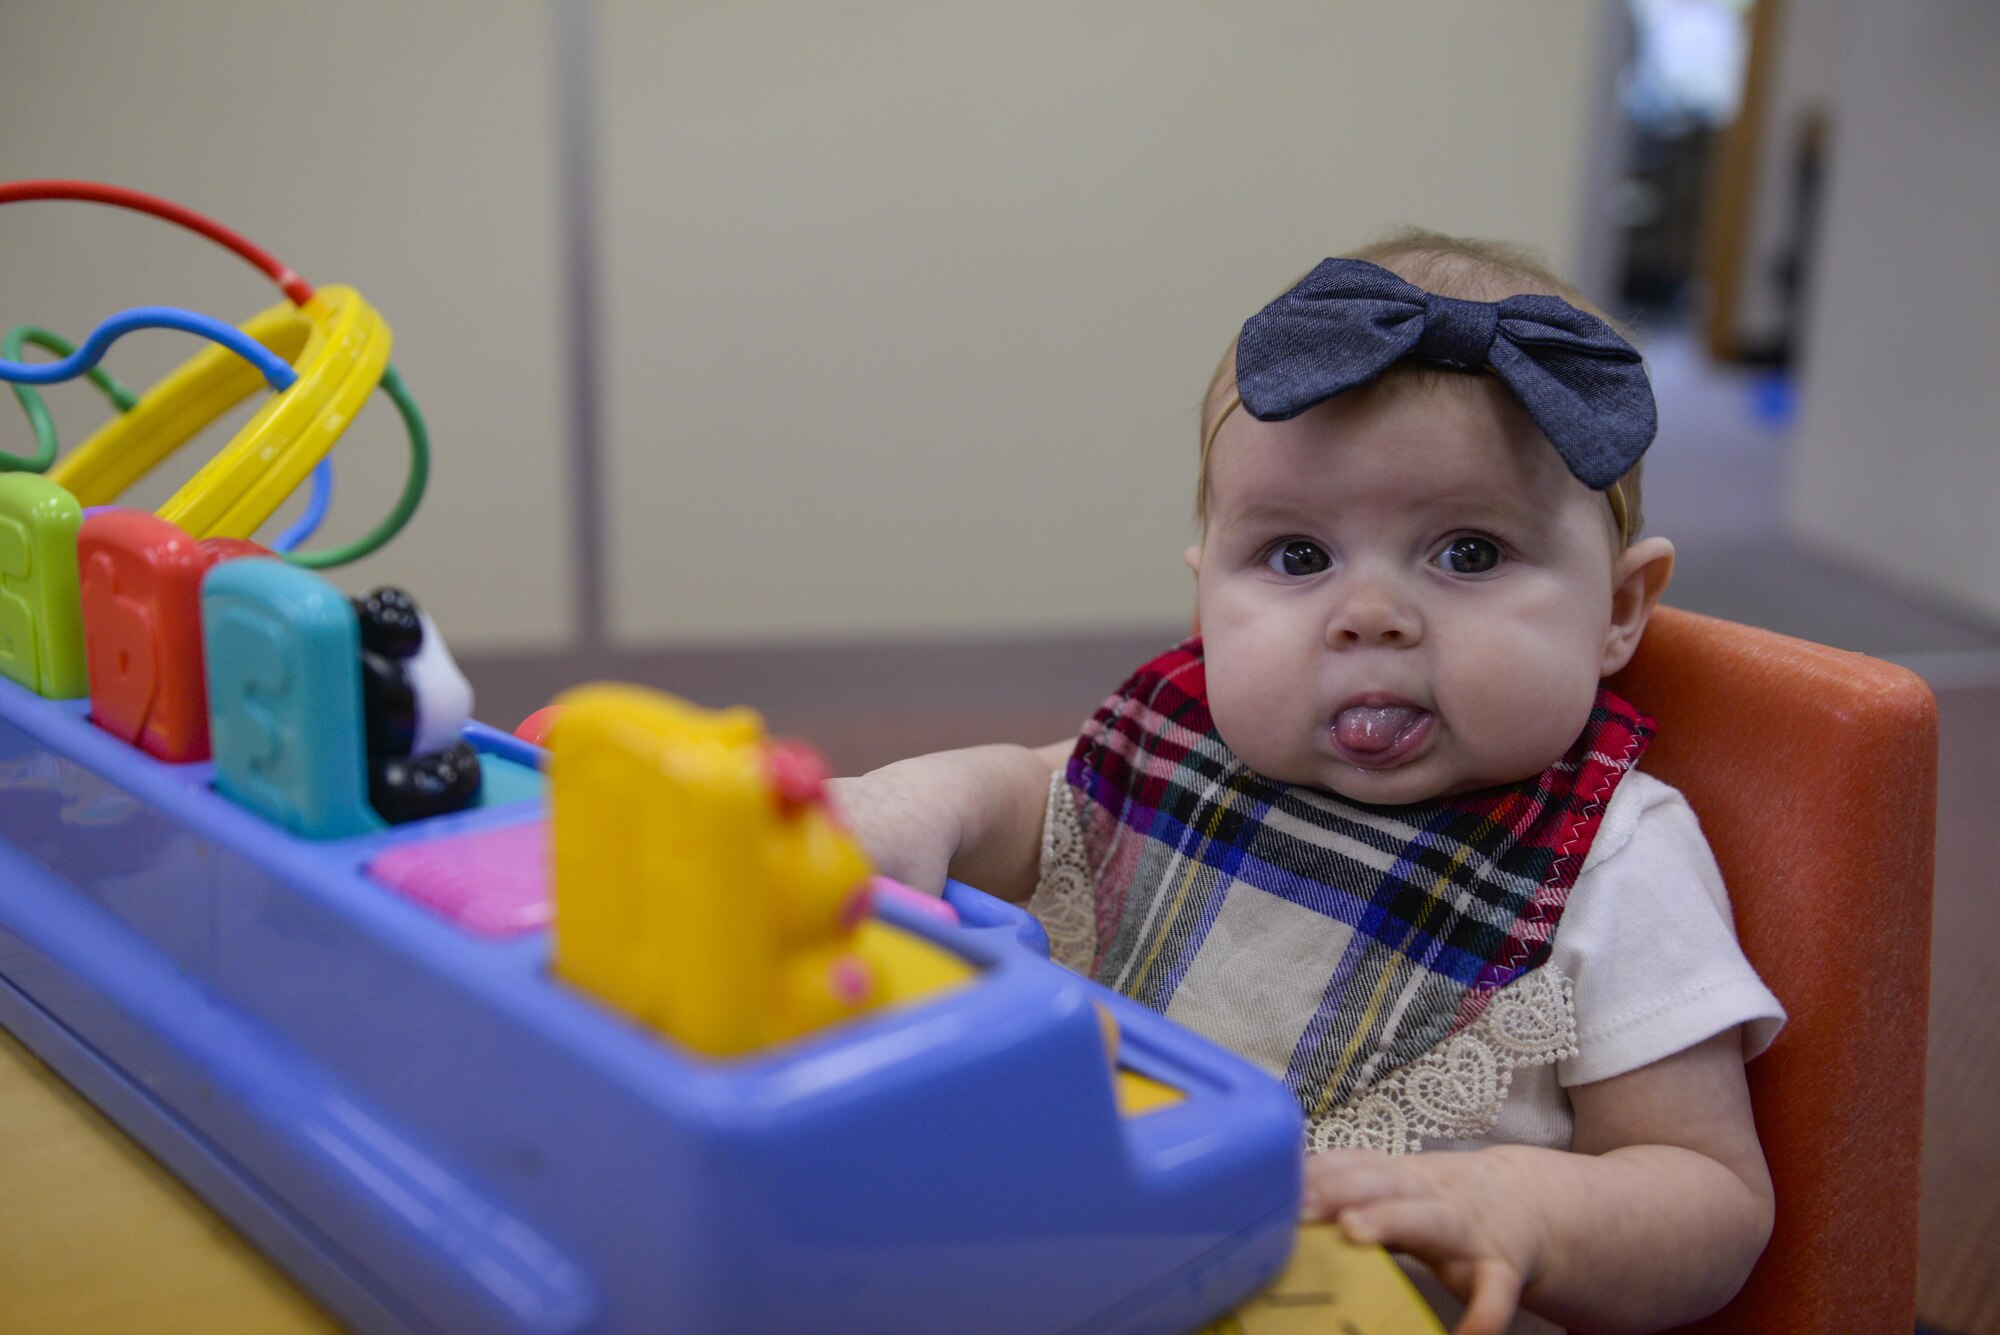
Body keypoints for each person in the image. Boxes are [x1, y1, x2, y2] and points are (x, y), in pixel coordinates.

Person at [830, 231, 1783, 1335]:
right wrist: (917, 801)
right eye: (1297, 557)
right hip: (1076, 1256)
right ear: (1205, 598)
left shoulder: (1616, 861)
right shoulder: (1189, 736)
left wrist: (1515, 1207)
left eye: (1468, 552)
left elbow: (1710, 1197)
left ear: (1618, 609)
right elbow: (1033, 801)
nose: (1367, 615)